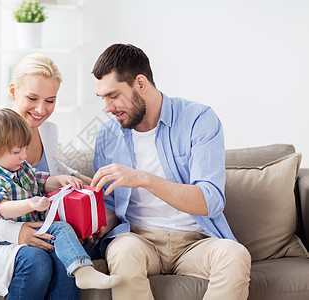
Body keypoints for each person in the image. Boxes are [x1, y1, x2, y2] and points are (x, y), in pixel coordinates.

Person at [89, 44, 251, 300]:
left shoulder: (199, 119)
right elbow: (108, 204)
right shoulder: (108, 134)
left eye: (113, 96)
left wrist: (143, 179)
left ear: (140, 83)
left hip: (196, 241)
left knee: (234, 254)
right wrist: (95, 224)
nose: (107, 108)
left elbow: (211, 201)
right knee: (122, 251)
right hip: (138, 239)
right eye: (103, 99)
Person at [0, 53, 94, 299]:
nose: (41, 109)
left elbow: (54, 170)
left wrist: (92, 189)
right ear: (13, 91)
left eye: (50, 100)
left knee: (64, 261)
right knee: (37, 259)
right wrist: (16, 233)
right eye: (32, 98)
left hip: (34, 232)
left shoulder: (47, 131)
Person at [0, 108, 120, 290]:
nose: (24, 156)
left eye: (25, 149)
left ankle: (80, 268)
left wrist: (59, 180)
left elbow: (41, 180)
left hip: (36, 227)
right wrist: (29, 204)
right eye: (17, 151)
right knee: (61, 227)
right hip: (8, 236)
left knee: (68, 235)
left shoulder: (20, 167)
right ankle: (82, 269)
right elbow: (3, 207)